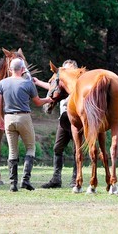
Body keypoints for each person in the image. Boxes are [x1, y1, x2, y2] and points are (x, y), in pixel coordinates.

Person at [0, 58, 53, 192]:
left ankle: (12, 184)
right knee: (30, 147)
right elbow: (38, 102)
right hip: (24, 117)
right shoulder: (28, 83)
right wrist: (49, 99)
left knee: (12, 150)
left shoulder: (2, 83)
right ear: (22, 70)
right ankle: (25, 180)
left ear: (10, 70)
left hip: (8, 117)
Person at [32, 59, 79, 188]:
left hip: (77, 121)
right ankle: (56, 179)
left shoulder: (78, 85)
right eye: (64, 69)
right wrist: (38, 82)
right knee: (57, 148)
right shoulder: (62, 84)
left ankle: (75, 179)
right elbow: (53, 86)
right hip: (63, 120)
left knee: (77, 150)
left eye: (68, 69)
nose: (65, 72)